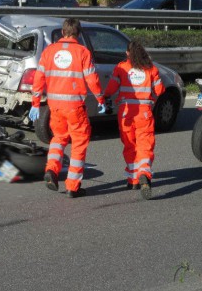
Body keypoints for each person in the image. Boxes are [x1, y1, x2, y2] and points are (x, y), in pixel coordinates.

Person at [29, 18, 105, 198]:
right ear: (78, 34)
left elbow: (38, 78)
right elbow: (92, 79)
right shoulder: (82, 52)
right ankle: (73, 186)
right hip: (75, 107)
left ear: (62, 33)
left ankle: (52, 171)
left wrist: (35, 103)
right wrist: (101, 99)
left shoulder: (49, 51)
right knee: (79, 143)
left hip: (55, 106)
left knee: (58, 138)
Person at [103, 41, 165, 200]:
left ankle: (132, 180)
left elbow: (110, 89)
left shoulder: (121, 67)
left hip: (125, 112)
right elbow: (159, 90)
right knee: (145, 144)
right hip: (144, 112)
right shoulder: (151, 68)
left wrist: (103, 98)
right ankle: (144, 173)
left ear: (128, 53)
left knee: (130, 146)